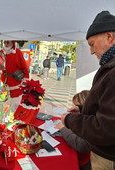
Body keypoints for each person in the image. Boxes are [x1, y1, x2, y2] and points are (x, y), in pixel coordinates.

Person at [61, 11, 115, 170]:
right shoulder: (109, 65)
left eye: (92, 44)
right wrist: (83, 109)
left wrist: (70, 120)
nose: (91, 51)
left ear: (109, 37)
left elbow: (105, 128)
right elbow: (105, 106)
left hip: (108, 158)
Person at [55, 90, 91, 170]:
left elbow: (81, 144)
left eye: (77, 106)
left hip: (84, 163)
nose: (74, 109)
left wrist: (63, 128)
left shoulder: (89, 123)